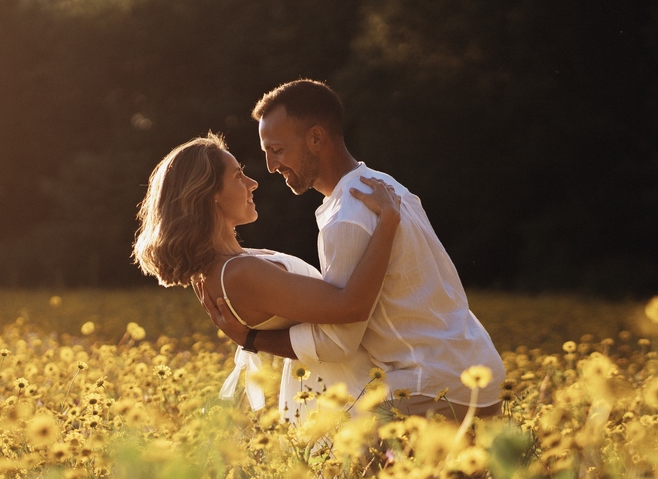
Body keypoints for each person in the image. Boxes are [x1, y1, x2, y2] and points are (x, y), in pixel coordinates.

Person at [198, 79, 506, 420]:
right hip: (476, 370)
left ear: (316, 138)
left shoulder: (348, 216)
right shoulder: (386, 186)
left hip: (427, 385)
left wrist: (251, 339)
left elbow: (338, 342)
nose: (271, 166)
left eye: (278, 150)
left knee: (329, 456)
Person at [132, 132, 402, 420]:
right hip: (343, 402)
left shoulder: (238, 263)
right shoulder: (238, 273)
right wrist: (388, 221)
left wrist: (250, 338)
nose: (253, 183)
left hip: (342, 390)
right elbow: (351, 306)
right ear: (210, 194)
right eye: (238, 176)